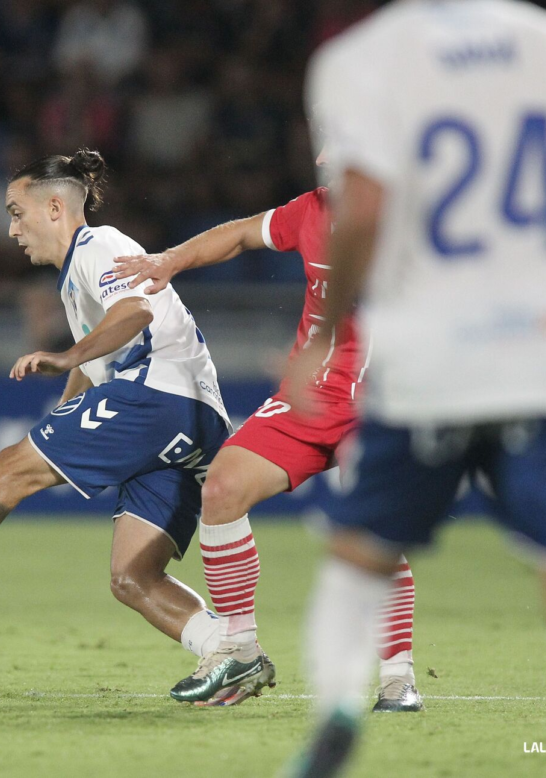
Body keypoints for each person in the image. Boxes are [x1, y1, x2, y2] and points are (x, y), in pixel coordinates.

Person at [286, 1, 546, 776]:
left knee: (357, 562)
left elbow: (360, 211)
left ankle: (336, 710)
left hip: (427, 364)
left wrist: (324, 334)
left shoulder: (356, 59)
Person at [0, 150, 276, 697]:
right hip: (191, 422)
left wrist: (66, 354)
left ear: (55, 207)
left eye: (17, 212)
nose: (12, 230)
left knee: (9, 471)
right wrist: (69, 387)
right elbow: (95, 362)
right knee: (132, 577)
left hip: (160, 396)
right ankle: (233, 654)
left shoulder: (100, 244)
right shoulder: (73, 282)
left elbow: (136, 313)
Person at [114, 167, 422, 712]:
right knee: (224, 486)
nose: (325, 153)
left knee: (375, 527)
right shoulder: (314, 209)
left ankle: (398, 678)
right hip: (312, 397)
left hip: (387, 398)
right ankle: (239, 652)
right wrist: (170, 261)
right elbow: (239, 234)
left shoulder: (421, 216)